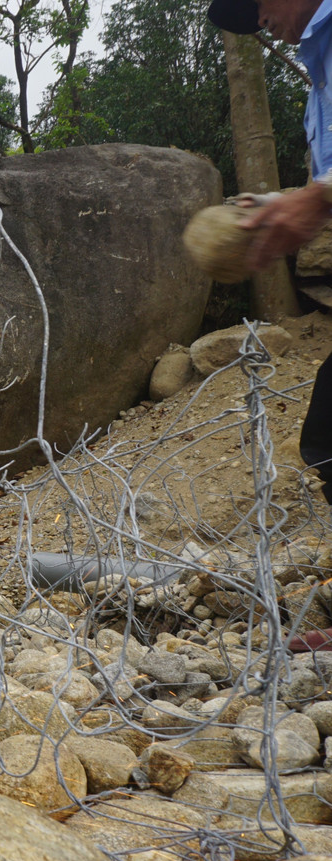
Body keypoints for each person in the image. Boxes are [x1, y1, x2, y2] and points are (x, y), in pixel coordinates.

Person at [208, 0, 332, 505]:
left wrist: (318, 197)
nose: (259, 20)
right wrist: (279, 204)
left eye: (256, 4)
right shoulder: (318, 70)